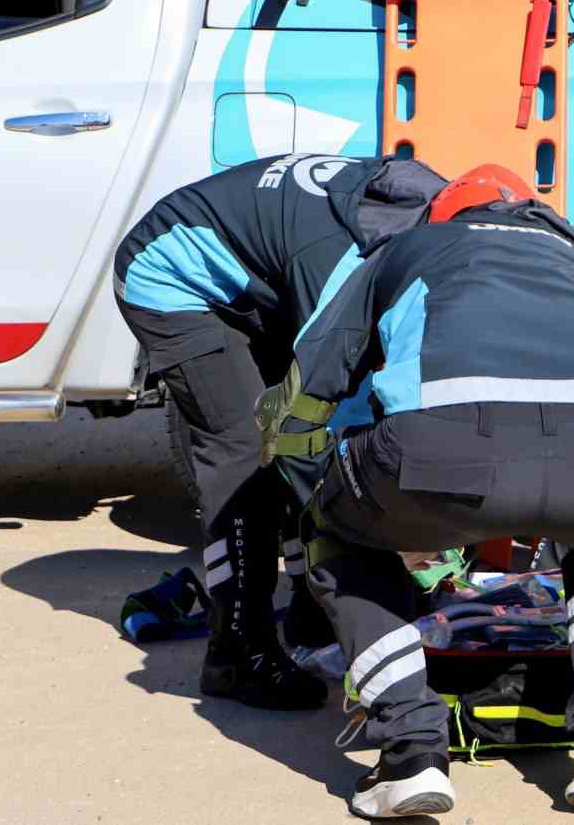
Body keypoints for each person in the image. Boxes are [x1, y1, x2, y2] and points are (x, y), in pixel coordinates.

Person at [267, 183, 574, 818]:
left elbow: (301, 398)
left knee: (334, 521)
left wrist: (320, 489)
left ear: (447, 217)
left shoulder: (410, 248)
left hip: (441, 451)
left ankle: (410, 747)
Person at [113, 152, 451, 709]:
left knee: (303, 442)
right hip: (171, 277)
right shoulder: (345, 261)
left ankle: (310, 611)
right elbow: (322, 414)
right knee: (250, 447)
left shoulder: (425, 217)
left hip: (262, 278)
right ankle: (236, 650)